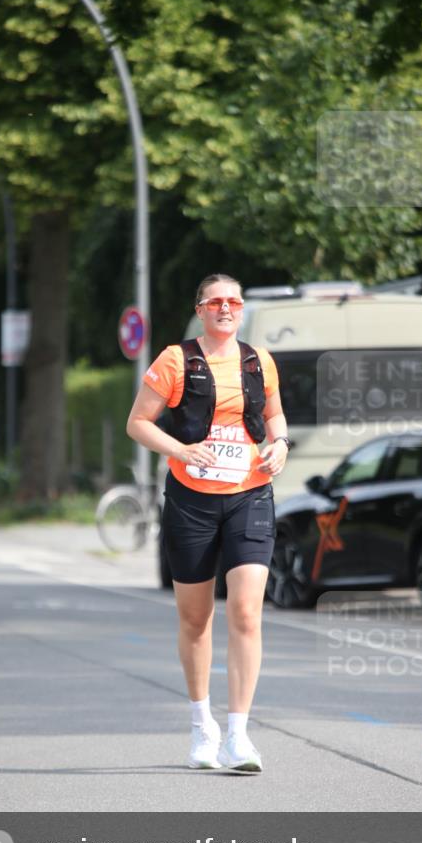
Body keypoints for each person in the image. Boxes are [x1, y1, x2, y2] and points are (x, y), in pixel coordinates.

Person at [127, 274, 290, 772]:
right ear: (200, 309)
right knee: (196, 619)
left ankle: (239, 735)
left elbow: (276, 418)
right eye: (216, 302)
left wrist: (280, 445)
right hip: (191, 502)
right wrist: (181, 450)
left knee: (246, 611)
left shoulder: (259, 361)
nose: (225, 308)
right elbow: (139, 422)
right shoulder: (176, 360)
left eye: (234, 301)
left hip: (250, 496)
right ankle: (203, 726)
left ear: (241, 309)